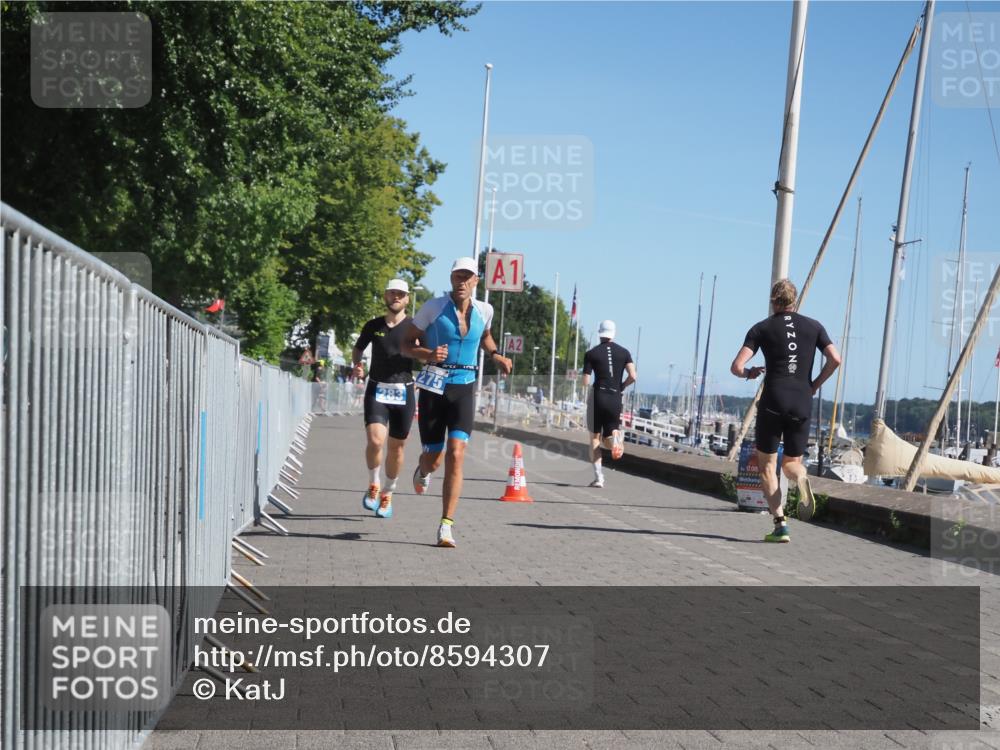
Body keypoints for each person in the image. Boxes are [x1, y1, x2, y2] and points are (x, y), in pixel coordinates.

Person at [401, 257, 512, 548]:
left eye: (468, 277)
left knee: (457, 452)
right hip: (435, 387)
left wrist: (496, 354)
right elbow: (406, 343)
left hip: (465, 385)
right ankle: (423, 469)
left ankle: (446, 525)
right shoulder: (433, 307)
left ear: (476, 281)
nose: (461, 281)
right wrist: (426, 353)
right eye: (457, 276)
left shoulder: (485, 310)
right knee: (434, 458)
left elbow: (485, 335)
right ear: (451, 279)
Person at [730, 278, 841, 542]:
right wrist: (814, 385)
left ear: (773, 301)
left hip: (773, 400)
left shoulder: (761, 328)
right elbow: (835, 358)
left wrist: (749, 373)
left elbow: (736, 367)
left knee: (767, 467)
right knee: (792, 463)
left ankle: (780, 524)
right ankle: (801, 477)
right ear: (795, 300)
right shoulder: (814, 326)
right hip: (802, 399)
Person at [351, 279, 417, 519]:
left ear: (407, 298)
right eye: (392, 293)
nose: (396, 297)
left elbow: (427, 351)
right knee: (376, 441)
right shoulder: (373, 325)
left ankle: (388, 493)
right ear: (386, 296)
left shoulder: (415, 327)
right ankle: (374, 483)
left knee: (397, 449)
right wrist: (358, 365)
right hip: (377, 388)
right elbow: (358, 349)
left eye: (401, 294)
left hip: (404, 391)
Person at [582, 320, 637, 488]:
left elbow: (585, 381)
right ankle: (615, 439)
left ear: (600, 333)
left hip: (598, 396)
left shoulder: (591, 353)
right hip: (615, 397)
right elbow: (633, 376)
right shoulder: (624, 352)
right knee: (610, 433)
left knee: (595, 438)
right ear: (614, 333)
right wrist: (621, 386)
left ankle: (599, 478)